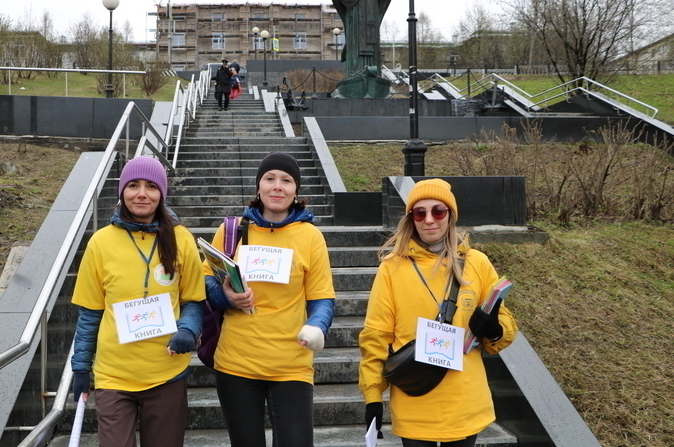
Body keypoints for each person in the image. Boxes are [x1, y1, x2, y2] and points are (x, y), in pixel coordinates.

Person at [358, 178, 518, 447]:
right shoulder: (392, 267)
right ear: (411, 218)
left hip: (465, 402)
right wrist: (373, 395)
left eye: (438, 211)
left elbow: (504, 322)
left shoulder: (477, 262)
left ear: (450, 215)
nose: (429, 220)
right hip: (415, 400)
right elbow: (376, 334)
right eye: (420, 213)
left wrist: (494, 329)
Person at [70, 156, 206, 447]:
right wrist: (81, 367)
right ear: (122, 191)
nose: (142, 194)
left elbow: (193, 300)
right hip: (113, 375)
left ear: (162, 194)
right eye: (133, 185)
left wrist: (188, 330)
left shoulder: (181, 239)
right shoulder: (100, 242)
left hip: (166, 372)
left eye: (151, 187)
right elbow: (90, 313)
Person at [203, 152, 336, 447]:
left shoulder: (310, 237)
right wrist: (226, 296)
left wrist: (318, 325)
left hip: (291, 364)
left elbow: (323, 298)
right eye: (269, 178)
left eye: (286, 180)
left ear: (296, 190)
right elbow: (206, 282)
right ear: (258, 187)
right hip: (236, 362)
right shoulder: (231, 231)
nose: (277, 186)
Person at [330, 0, 391, 77]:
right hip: (355, 9)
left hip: (370, 6)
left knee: (370, 34)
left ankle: (370, 70)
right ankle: (356, 72)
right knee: (357, 37)